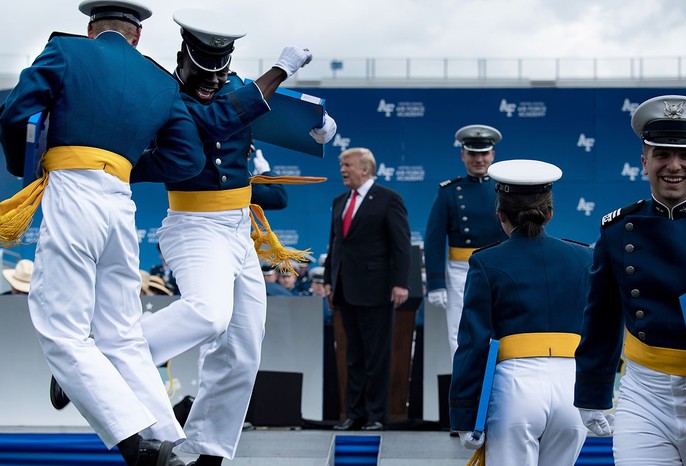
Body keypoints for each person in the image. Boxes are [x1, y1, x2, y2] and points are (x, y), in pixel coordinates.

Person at [0, 1, 205, 465]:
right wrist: (123, 166)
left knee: (62, 329)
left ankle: (136, 444)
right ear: (135, 36)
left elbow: (16, 115)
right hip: (119, 202)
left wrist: (25, 166)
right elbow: (187, 160)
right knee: (123, 336)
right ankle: (172, 444)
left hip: (72, 193)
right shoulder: (159, 78)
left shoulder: (65, 51)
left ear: (92, 28)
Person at [135, 10, 336, 465]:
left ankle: (206, 451)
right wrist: (280, 70)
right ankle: (104, 358)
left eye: (219, 74)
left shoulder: (237, 88)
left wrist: (317, 124)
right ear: (182, 60)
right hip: (194, 225)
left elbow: (264, 107)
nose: (211, 83)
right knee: (208, 315)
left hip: (237, 229)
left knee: (242, 349)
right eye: (202, 74)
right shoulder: (165, 95)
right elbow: (221, 117)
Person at [575, 94, 686, 464]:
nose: (673, 166)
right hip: (646, 392)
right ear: (644, 162)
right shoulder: (618, 229)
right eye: (661, 154)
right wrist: (592, 391)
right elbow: (601, 315)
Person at [450, 159, 592, 465]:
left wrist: (464, 413)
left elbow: (473, 343)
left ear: (501, 214)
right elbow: (600, 331)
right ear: (549, 213)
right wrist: (598, 396)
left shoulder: (485, 262)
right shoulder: (584, 257)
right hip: (574, 390)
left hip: (516, 389)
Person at [323, 147, 411, 431]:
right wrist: (328, 280)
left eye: (347, 165)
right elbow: (335, 244)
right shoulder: (339, 201)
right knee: (353, 356)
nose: (342, 170)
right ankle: (354, 414)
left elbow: (401, 245)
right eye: (341, 165)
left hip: (377, 290)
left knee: (376, 356)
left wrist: (400, 283)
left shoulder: (388, 199)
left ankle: (376, 415)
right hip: (345, 291)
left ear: (365, 168)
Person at [424, 125, 508, 359]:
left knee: (500, 328)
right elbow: (434, 240)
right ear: (463, 155)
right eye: (473, 154)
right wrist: (436, 283)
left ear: (492, 155)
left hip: (498, 269)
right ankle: (464, 390)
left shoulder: (505, 190)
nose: (479, 159)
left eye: (484, 154)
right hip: (461, 271)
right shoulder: (450, 192)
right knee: (459, 332)